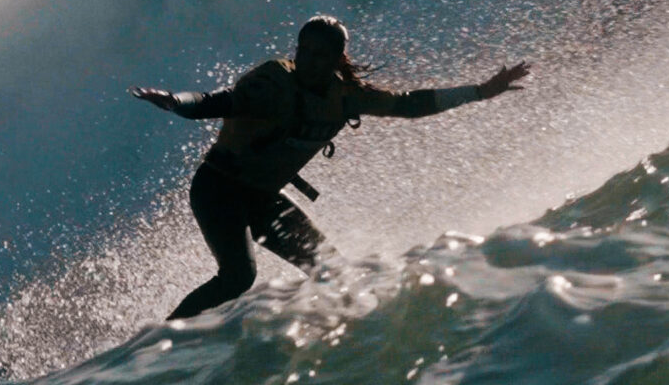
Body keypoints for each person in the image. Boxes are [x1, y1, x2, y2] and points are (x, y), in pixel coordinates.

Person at [133, 16, 530, 319]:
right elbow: (216, 101)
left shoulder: (346, 98)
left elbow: (411, 105)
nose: (310, 61)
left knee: (333, 272)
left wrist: (479, 92)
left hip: (263, 197)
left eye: (321, 55)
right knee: (238, 276)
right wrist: (176, 101)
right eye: (304, 51)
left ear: (338, 59)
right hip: (219, 189)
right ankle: (160, 345)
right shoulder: (273, 81)